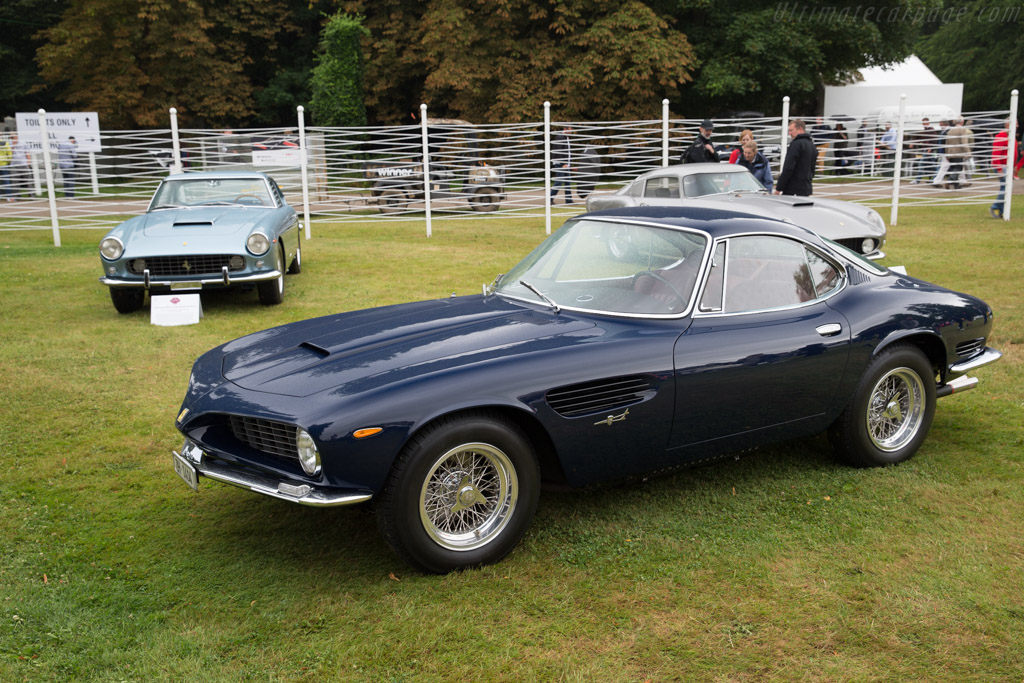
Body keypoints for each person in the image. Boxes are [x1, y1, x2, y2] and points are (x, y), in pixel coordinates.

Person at [775, 118, 816, 196]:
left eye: (791, 130)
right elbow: (812, 169)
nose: (789, 133)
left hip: (792, 189)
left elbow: (789, 167)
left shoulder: (796, 144)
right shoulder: (812, 145)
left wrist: (779, 187)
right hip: (806, 188)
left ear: (800, 129)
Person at [989, 118, 1016, 218]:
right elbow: (996, 153)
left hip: (1007, 166)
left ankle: (1001, 210)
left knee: (1004, 187)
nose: (1017, 126)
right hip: (1002, 166)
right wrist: (999, 167)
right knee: (1007, 187)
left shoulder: (1010, 136)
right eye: (1016, 124)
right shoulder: (1002, 136)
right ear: (1008, 125)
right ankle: (995, 206)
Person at [550, 125, 576, 204]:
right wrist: (563, 163)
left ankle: (569, 200)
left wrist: (569, 165)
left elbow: (567, 153)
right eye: (570, 130)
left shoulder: (566, 138)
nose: (571, 131)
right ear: (565, 129)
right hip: (560, 163)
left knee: (567, 181)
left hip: (565, 163)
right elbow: (559, 151)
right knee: (559, 181)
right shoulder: (560, 137)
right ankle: (549, 199)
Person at [944, 117, 971, 190]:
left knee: (954, 168)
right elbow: (964, 142)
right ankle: (950, 180)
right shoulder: (962, 130)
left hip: (950, 153)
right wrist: (968, 152)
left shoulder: (950, 130)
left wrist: (947, 153)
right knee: (958, 168)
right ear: (962, 122)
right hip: (958, 152)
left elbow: (947, 143)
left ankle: (956, 185)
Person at [8, 134, 31, 200]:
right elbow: (9, 153)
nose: (13, 138)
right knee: (15, 182)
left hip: (24, 164)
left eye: (14, 137)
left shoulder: (23, 142)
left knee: (29, 181)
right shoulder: (9, 143)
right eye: (11, 137)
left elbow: (27, 153)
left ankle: (31, 195)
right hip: (14, 165)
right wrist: (13, 145)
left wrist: (28, 163)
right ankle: (16, 197)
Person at [932, 120, 952, 187]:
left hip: (947, 153)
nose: (940, 125)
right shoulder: (943, 131)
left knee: (945, 167)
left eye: (941, 124)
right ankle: (936, 181)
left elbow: (948, 143)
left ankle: (936, 181)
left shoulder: (948, 131)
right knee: (944, 167)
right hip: (944, 153)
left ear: (945, 124)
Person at [0, 134, 11, 199]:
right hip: (4, 164)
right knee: (6, 180)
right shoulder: (5, 143)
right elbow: (9, 153)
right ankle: (9, 196)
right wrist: (8, 161)